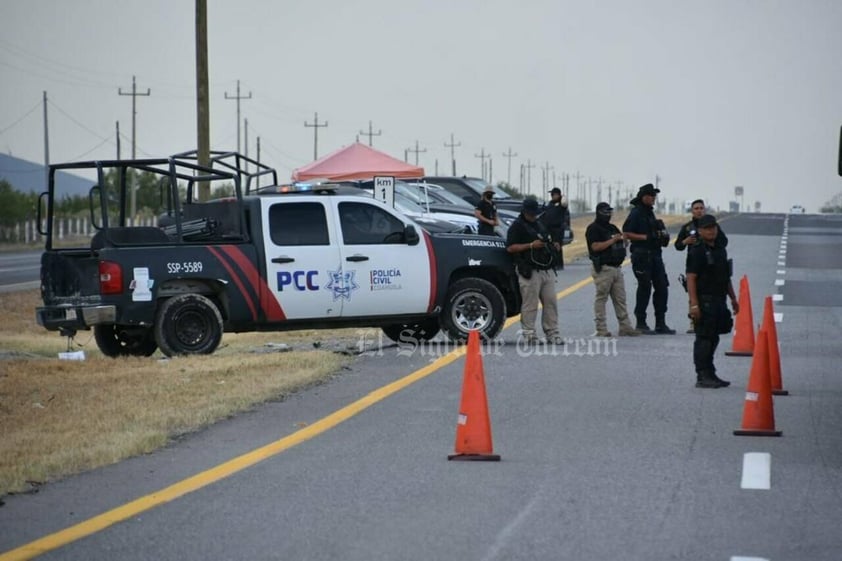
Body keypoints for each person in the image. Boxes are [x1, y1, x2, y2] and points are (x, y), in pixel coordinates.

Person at [686, 214, 739, 388]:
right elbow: (691, 278)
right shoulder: (697, 251)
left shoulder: (720, 249)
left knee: (714, 337)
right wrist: (694, 304)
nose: (711, 231)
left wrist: (733, 298)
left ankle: (711, 372)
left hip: (719, 298)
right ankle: (702, 375)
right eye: (707, 228)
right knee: (704, 338)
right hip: (704, 300)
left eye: (713, 227)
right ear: (700, 231)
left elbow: (726, 277)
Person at [506, 197, 563, 345]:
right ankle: (529, 334)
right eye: (531, 213)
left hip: (546, 269)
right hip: (529, 270)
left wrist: (552, 245)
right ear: (524, 211)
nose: (533, 216)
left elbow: (546, 239)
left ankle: (552, 333)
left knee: (551, 302)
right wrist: (530, 245)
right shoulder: (517, 226)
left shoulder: (539, 224)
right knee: (530, 304)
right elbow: (510, 247)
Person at [622, 183, 675, 334]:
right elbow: (626, 233)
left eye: (654, 196)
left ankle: (660, 322)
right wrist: (645, 237)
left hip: (655, 255)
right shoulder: (636, 213)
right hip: (641, 255)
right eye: (651, 196)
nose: (653, 198)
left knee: (662, 287)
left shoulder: (650, 213)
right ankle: (641, 322)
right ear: (643, 197)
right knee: (645, 287)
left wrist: (661, 236)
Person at [585, 203, 640, 338]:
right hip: (603, 268)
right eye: (605, 212)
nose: (608, 214)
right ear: (599, 212)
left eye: (610, 212)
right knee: (601, 298)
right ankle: (601, 328)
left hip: (616, 268)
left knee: (620, 299)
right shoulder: (593, 229)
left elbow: (621, 241)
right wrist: (612, 240)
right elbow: (595, 247)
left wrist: (623, 240)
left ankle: (625, 327)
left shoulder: (612, 227)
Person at [675, 199, 729, 332]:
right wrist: (685, 242)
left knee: (711, 291)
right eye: (696, 208)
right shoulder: (687, 228)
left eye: (701, 208)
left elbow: (724, 242)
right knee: (693, 291)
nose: (699, 210)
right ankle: (694, 322)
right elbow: (678, 246)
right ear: (692, 211)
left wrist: (711, 240)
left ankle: (715, 319)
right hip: (694, 264)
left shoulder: (712, 226)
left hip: (712, 264)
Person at [541, 187, 570, 269]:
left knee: (557, 246)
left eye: (554, 194)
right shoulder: (550, 204)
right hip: (549, 228)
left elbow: (565, 203)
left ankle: (559, 264)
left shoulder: (561, 204)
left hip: (558, 228)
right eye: (552, 194)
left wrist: (562, 196)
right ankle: (553, 263)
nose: (552, 196)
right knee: (551, 246)